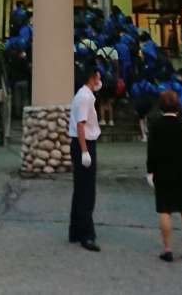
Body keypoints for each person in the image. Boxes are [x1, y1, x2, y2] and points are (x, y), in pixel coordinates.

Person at [147, 91, 182, 262]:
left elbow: (152, 151)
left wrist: (150, 170)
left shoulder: (155, 125)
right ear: (177, 105)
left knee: (165, 210)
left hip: (163, 172)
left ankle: (168, 249)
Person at [69, 65, 102, 252]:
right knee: (87, 192)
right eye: (98, 76)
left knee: (80, 189)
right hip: (84, 143)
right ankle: (86, 235)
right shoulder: (84, 97)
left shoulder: (85, 95)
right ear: (92, 77)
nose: (100, 80)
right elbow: (81, 125)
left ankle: (75, 230)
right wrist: (84, 151)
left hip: (82, 143)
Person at [95, 41, 118, 126]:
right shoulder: (109, 66)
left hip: (103, 85)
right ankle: (111, 120)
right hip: (111, 85)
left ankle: (103, 120)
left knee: (102, 103)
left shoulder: (100, 67)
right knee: (109, 103)